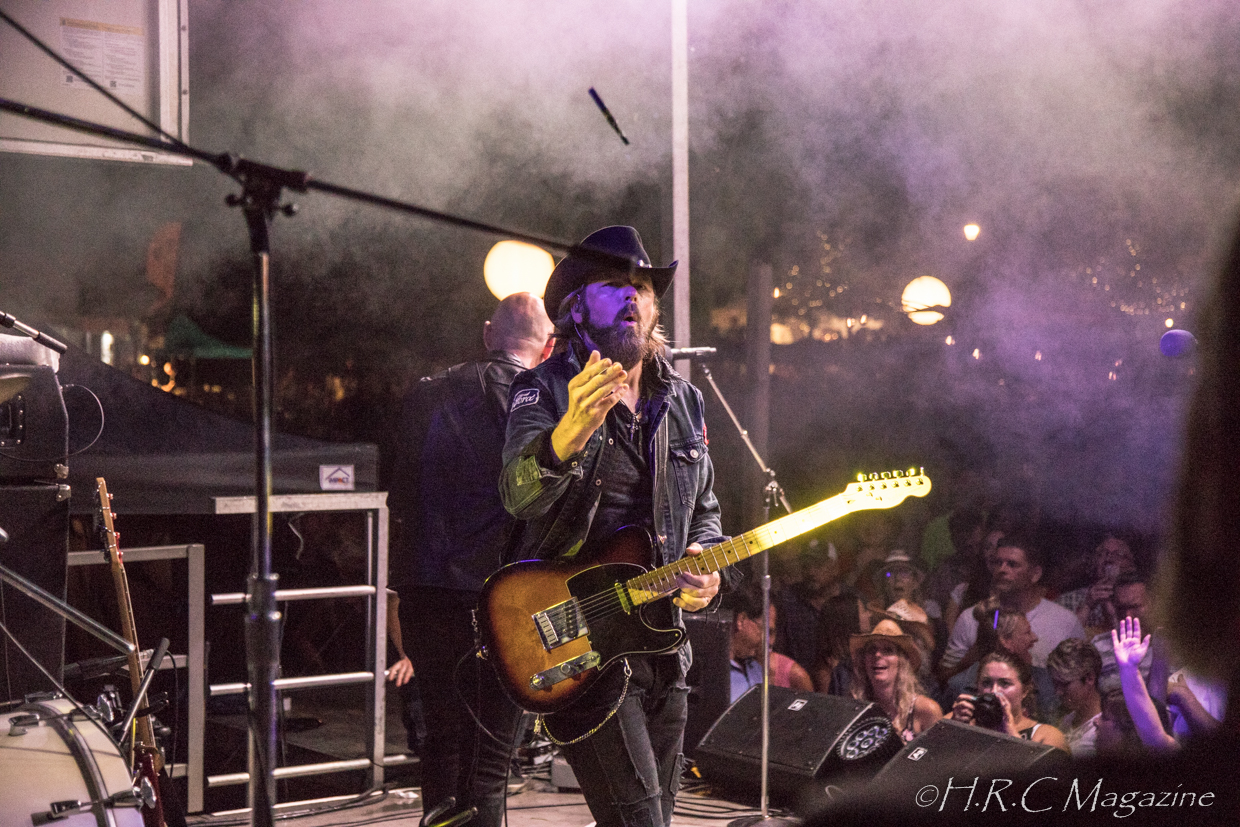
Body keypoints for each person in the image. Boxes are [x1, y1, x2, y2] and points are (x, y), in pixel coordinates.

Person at [499, 226, 726, 827]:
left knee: (658, 817)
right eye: (613, 284)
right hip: (583, 639)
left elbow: (704, 508)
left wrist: (708, 566)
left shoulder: (683, 401)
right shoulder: (543, 388)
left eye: (643, 287)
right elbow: (518, 497)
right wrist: (566, 436)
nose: (633, 295)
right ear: (576, 308)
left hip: (663, 643)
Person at [388, 292, 554, 827]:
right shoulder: (539, 400)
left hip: (424, 591)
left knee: (441, 741)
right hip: (495, 599)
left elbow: (397, 493)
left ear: (488, 333)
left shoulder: (424, 392)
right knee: (488, 762)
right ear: (549, 347)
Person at [939, 533, 1085, 671]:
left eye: (1012, 564)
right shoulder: (972, 618)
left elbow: (1082, 678)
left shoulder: (1064, 622)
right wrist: (973, 657)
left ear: (1035, 574)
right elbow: (944, 678)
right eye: (998, 563)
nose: (1002, 569)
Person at [940, 600, 1057, 722]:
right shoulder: (959, 686)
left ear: (1025, 690)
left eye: (1005, 683)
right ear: (1005, 641)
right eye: (1027, 632)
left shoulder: (1042, 679)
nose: (1034, 637)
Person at [949, 650, 1069, 751]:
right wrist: (953, 730)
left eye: (1005, 683)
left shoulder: (1045, 736)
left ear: (1025, 690)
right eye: (986, 683)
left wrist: (1010, 732)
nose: (994, 691)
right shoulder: (958, 720)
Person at [849, 618, 943, 743]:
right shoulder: (855, 707)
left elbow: (941, 754)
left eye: (888, 650)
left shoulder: (927, 710)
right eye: (872, 650)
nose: (877, 655)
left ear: (901, 662)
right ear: (864, 661)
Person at [726, 587, 814, 701]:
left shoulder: (757, 667)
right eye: (766, 631)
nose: (770, 641)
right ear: (741, 620)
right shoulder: (715, 669)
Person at [1054, 533, 1139, 635]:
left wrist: (1112, 614)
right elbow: (1059, 640)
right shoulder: (1068, 601)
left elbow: (1137, 639)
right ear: (1095, 561)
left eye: (1118, 554)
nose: (1109, 559)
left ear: (1131, 565)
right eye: (1103, 554)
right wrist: (1087, 606)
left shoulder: (1138, 602)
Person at [1046, 638, 1104, 757]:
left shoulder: (1103, 730)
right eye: (1055, 684)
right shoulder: (1067, 720)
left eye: (1064, 684)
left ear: (1090, 678)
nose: (1058, 692)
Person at [811, 590, 871, 695]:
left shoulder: (862, 654)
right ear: (849, 619)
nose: (869, 614)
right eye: (864, 611)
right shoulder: (825, 672)